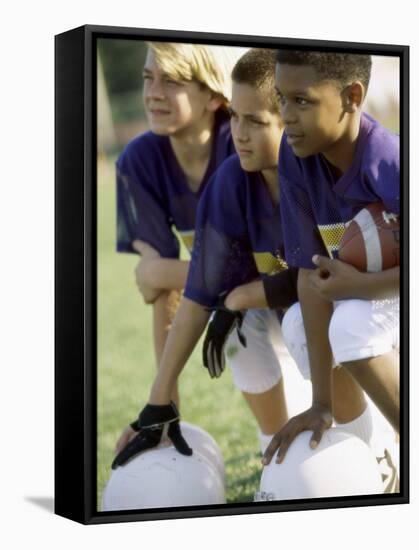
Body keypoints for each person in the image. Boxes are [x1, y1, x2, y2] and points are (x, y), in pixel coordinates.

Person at [112, 49, 373, 469]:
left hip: (362, 305)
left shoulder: (322, 168)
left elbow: (321, 277)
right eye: (236, 116)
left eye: (255, 120)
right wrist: (158, 402)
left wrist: (244, 294)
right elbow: (197, 293)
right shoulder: (230, 181)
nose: (239, 132)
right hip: (285, 303)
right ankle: (274, 449)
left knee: (309, 324)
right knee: (237, 330)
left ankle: (370, 452)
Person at [262, 50, 400, 472]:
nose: (286, 115)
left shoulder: (391, 161)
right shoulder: (295, 155)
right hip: (381, 294)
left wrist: (358, 287)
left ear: (351, 96)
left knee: (350, 326)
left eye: (301, 101)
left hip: (394, 290)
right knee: (298, 327)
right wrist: (319, 402)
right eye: (281, 99)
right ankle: (375, 462)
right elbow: (309, 273)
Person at [115, 42, 241, 453]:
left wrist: (164, 271)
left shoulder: (242, 143)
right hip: (240, 300)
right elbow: (159, 291)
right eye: (149, 78)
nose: (153, 93)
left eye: (172, 81)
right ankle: (271, 441)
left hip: (293, 292)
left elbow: (269, 267)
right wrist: (163, 404)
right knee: (238, 330)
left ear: (213, 95)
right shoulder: (140, 158)